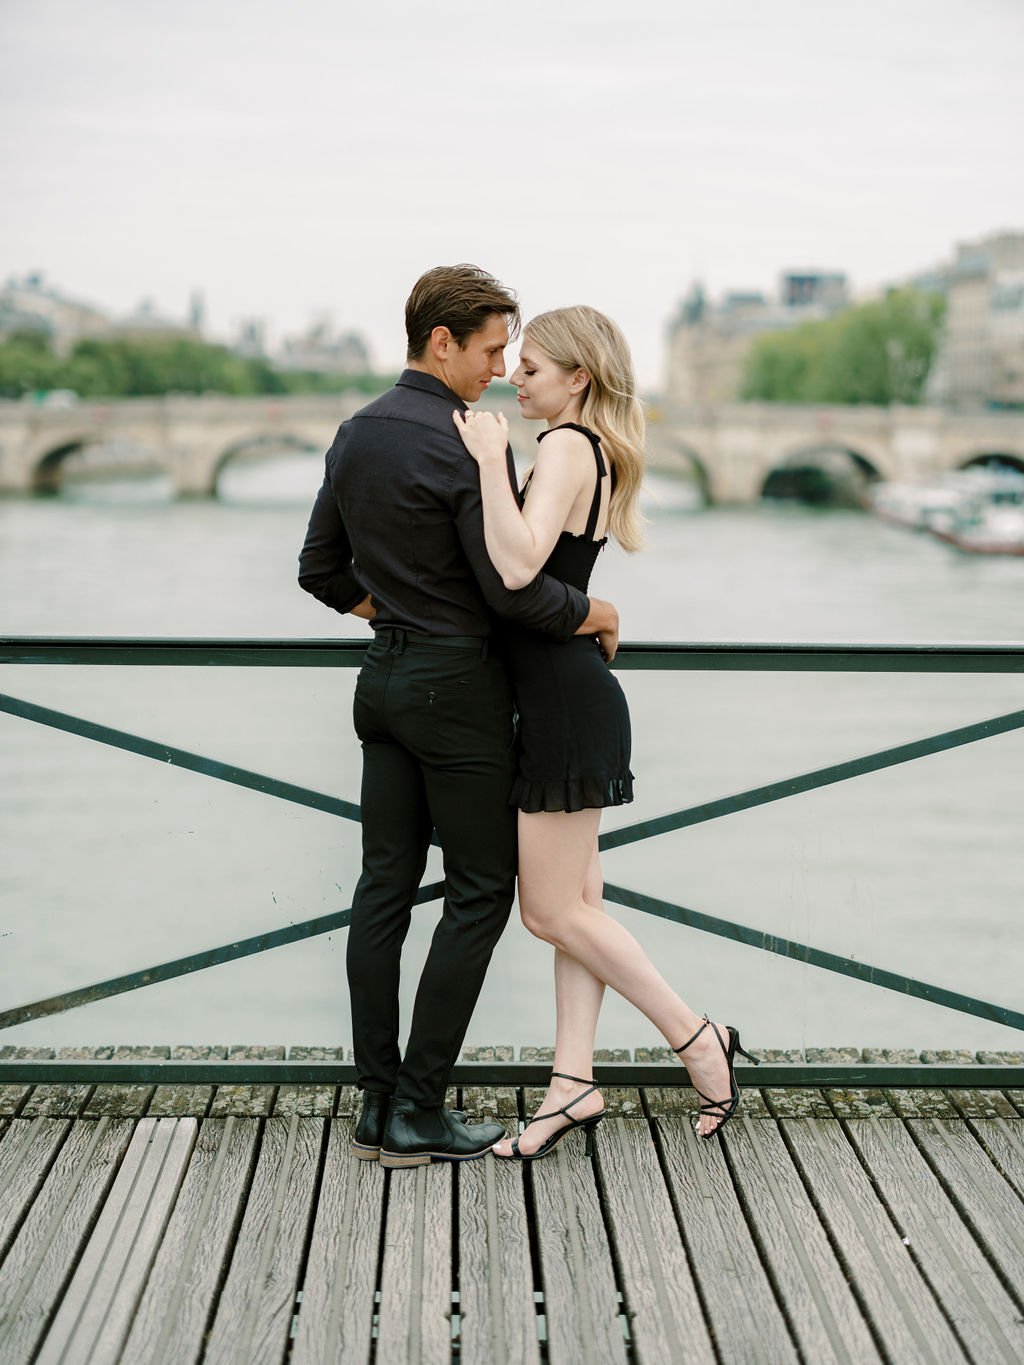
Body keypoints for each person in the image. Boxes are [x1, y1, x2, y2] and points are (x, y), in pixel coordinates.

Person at [297, 267, 620, 1169]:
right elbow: (512, 593)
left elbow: (321, 571)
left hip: (384, 683)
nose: (500, 369)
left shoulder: (357, 430)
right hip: (458, 694)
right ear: (443, 342)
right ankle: (420, 1106)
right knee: (480, 890)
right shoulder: (464, 443)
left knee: (383, 888)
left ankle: (374, 1104)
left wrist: (396, 617)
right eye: (489, 350)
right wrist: (595, 615)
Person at [453, 305, 758, 1160]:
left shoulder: (560, 446)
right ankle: (572, 1086)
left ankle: (699, 1038)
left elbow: (516, 567)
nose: (519, 375)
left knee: (547, 911)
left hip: (557, 701)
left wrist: (487, 460)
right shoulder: (589, 446)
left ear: (578, 377)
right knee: (579, 908)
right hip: (567, 691)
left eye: (536, 367)